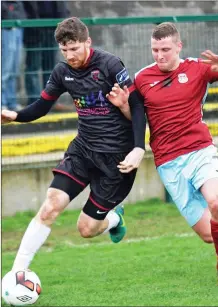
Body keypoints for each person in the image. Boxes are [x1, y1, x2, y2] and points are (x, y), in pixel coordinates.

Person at [1, 17, 146, 272]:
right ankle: (17, 272)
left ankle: (114, 218)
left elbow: (136, 105)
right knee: (50, 205)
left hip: (116, 159)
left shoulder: (110, 64)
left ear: (87, 42)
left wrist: (138, 148)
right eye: (64, 49)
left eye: (74, 48)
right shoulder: (62, 72)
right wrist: (17, 116)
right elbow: (43, 105)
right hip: (82, 151)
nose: (69, 55)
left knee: (86, 229)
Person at [107, 22, 218, 285]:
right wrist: (123, 106)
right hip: (169, 163)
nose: (159, 55)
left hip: (200, 151)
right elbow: (135, 117)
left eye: (165, 49)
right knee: (211, 233)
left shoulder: (198, 68)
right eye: (155, 50)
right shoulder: (141, 79)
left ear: (178, 46)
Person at [22, 1, 69, 105]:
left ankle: (50, 101)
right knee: (33, 67)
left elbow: (63, 8)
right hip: (33, 30)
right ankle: (34, 101)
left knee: (51, 68)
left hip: (53, 29)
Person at [1, 1, 26, 111]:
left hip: (17, 26)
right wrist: (9, 13)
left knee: (14, 69)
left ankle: (11, 102)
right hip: (6, 27)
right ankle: (2, 102)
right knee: (5, 68)